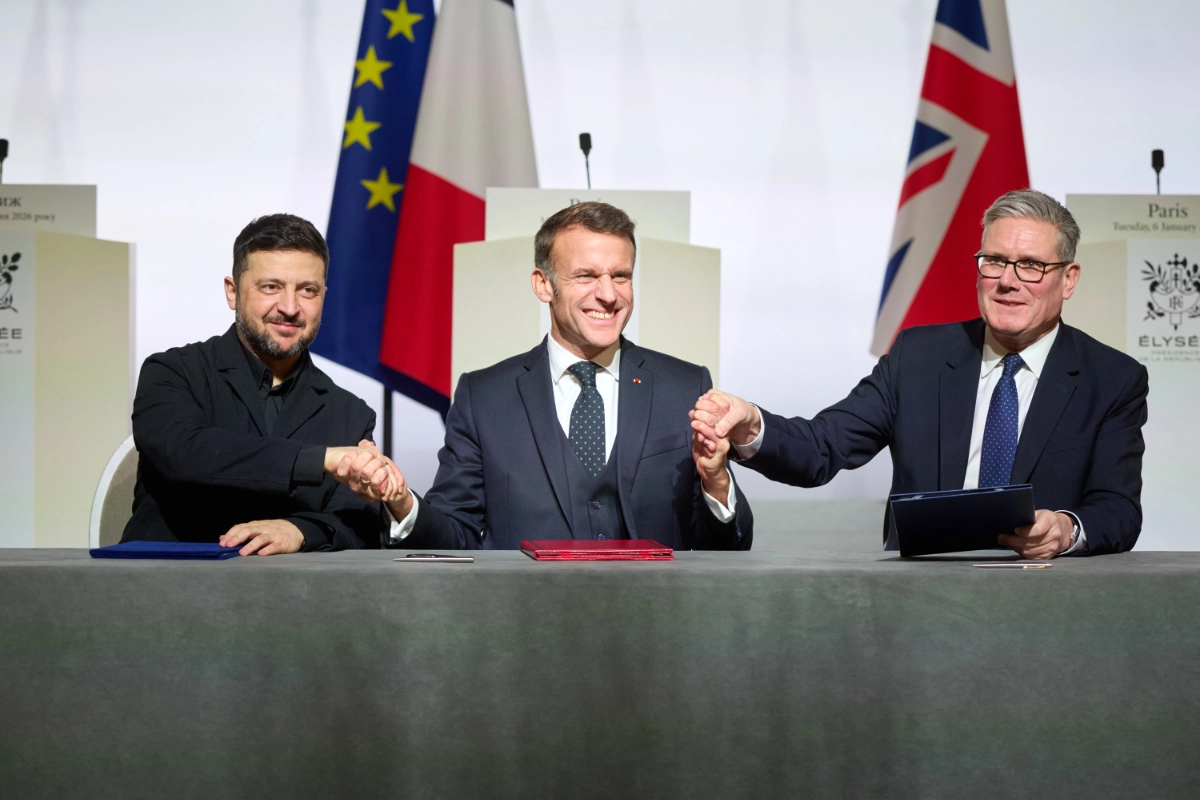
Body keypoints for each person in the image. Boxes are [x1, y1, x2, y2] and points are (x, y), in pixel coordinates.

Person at [690, 189, 1148, 558]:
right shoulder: (919, 357)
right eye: (994, 261)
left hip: (1045, 605)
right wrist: (753, 423)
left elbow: (1118, 510)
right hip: (918, 604)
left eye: (1030, 265)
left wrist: (1068, 529)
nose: (1008, 281)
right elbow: (821, 448)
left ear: (1068, 279)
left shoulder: (1111, 379)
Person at [362, 201, 752, 549]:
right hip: (527, 623)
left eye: (620, 276)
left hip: (655, 623)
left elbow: (724, 549)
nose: (609, 295)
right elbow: (455, 535)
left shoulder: (685, 387)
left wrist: (717, 483)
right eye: (585, 276)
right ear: (543, 285)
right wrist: (402, 504)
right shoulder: (483, 397)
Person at [122, 214, 394, 555]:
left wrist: (300, 530)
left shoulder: (350, 412)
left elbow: (359, 521)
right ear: (232, 292)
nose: (290, 307)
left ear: (324, 296)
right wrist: (318, 460)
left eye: (307, 290)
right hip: (164, 587)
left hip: (294, 599)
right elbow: (188, 453)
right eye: (271, 287)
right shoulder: (172, 372)